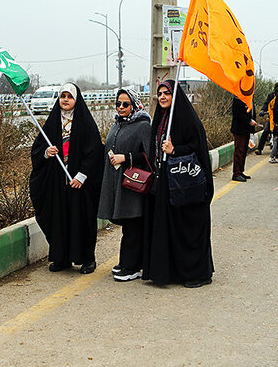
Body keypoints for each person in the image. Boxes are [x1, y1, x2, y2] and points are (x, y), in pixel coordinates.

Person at [142, 80, 214, 287]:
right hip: (164, 184)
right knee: (168, 228)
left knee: (187, 229)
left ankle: (197, 274)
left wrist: (175, 150)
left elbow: (197, 147)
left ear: (176, 96)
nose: (163, 97)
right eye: (160, 93)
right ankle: (170, 272)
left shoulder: (187, 119)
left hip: (185, 186)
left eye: (167, 93)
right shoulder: (161, 118)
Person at [30, 83, 104, 274]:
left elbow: (94, 152)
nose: (65, 100)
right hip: (58, 183)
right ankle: (61, 258)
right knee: (59, 219)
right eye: (62, 96)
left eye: (69, 97)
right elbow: (37, 149)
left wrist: (81, 176)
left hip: (80, 183)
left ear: (76, 100)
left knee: (82, 220)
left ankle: (87, 259)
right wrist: (47, 152)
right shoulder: (53, 122)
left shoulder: (85, 123)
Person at [97, 87, 151, 281]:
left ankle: (133, 267)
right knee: (128, 225)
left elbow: (149, 155)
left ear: (134, 104)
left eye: (125, 104)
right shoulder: (117, 124)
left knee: (134, 224)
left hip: (134, 184)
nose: (121, 107)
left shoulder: (143, 125)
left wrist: (126, 158)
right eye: (118, 103)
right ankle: (127, 262)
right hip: (119, 183)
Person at [230, 94, 257, 181]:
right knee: (239, 151)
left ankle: (241, 171)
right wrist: (249, 121)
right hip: (239, 129)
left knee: (244, 150)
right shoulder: (238, 98)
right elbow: (237, 114)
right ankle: (236, 173)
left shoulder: (249, 98)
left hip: (246, 129)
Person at [255, 82, 278, 162]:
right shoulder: (271, 96)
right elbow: (266, 104)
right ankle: (259, 149)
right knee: (265, 131)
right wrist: (263, 110)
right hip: (271, 118)